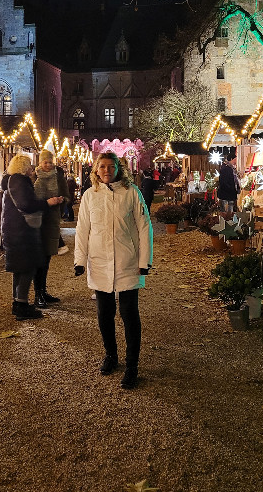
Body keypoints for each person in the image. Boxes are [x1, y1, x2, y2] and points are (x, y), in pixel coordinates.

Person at [74, 151, 153, 389]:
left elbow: (144, 227)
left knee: (129, 315)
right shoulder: (90, 196)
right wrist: (80, 260)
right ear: (96, 170)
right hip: (99, 262)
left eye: (111, 167)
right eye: (103, 167)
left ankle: (132, 365)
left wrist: (144, 260)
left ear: (119, 168)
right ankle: (111, 355)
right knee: (104, 313)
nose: (107, 171)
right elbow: (82, 229)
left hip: (127, 262)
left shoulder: (132, 193)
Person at [1, 155, 63, 320]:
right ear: (23, 167)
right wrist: (47, 203)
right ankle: (22, 305)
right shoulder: (19, 182)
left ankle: (18, 302)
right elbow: (26, 205)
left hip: (14, 231)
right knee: (27, 268)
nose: (32, 168)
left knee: (19, 268)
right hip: (22, 232)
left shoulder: (10, 181)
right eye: (29, 165)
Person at [33, 149, 69, 307]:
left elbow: (68, 196)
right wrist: (47, 202)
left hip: (52, 222)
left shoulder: (58, 177)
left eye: (50, 162)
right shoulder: (34, 177)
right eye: (44, 162)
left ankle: (43, 291)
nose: (47, 165)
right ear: (40, 163)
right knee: (38, 259)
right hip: (37, 223)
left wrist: (61, 200)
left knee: (46, 259)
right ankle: (38, 295)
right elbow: (30, 201)